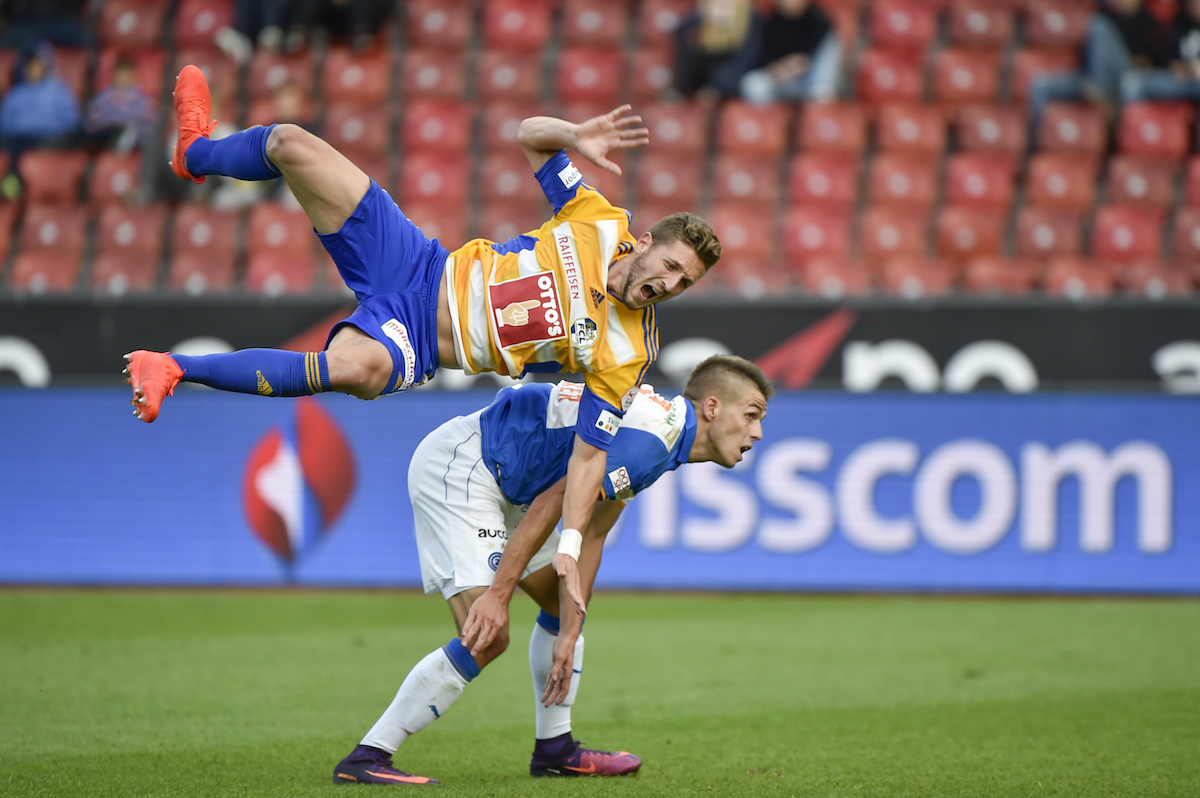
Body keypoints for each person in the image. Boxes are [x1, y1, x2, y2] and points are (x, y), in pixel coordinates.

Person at [124, 65, 721, 631]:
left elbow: (589, 457)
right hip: (416, 262)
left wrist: (568, 544)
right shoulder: (598, 220)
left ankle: (173, 367)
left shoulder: (628, 353)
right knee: (289, 142)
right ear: (645, 243)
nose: (667, 284)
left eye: (683, 283)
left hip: (423, 339)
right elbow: (529, 138)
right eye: (669, 265)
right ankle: (194, 153)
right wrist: (573, 134)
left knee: (355, 368)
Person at [331, 355, 773, 785]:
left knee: (560, 609)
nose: (757, 432)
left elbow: (594, 532)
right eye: (751, 415)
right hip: (468, 467)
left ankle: (555, 751)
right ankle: (368, 756)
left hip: (514, 485)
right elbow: (553, 502)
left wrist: (571, 628)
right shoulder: (651, 440)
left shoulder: (663, 435)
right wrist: (498, 595)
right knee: (487, 632)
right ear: (711, 408)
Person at [0, 43, 80, 193]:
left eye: (37, 65)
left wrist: (45, 128)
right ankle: (11, 185)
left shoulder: (58, 90)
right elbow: (5, 124)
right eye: (30, 66)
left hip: (49, 140)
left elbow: (71, 121)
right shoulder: (15, 94)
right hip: (18, 141)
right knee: (14, 144)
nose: (34, 70)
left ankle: (13, 185)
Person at [733, 0, 842, 104]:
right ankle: (770, 122)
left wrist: (803, 63)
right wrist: (777, 69)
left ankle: (815, 120)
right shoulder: (767, 21)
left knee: (823, 91)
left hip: (809, 82)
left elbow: (822, 66)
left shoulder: (821, 21)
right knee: (753, 84)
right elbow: (757, 60)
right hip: (779, 81)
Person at [84, 56, 155, 151]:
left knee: (133, 132)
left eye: (127, 75)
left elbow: (149, 123)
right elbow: (92, 120)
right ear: (114, 75)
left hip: (130, 130)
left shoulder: (141, 100)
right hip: (106, 131)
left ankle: (125, 140)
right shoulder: (104, 97)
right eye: (120, 74)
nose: (123, 78)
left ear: (133, 76)